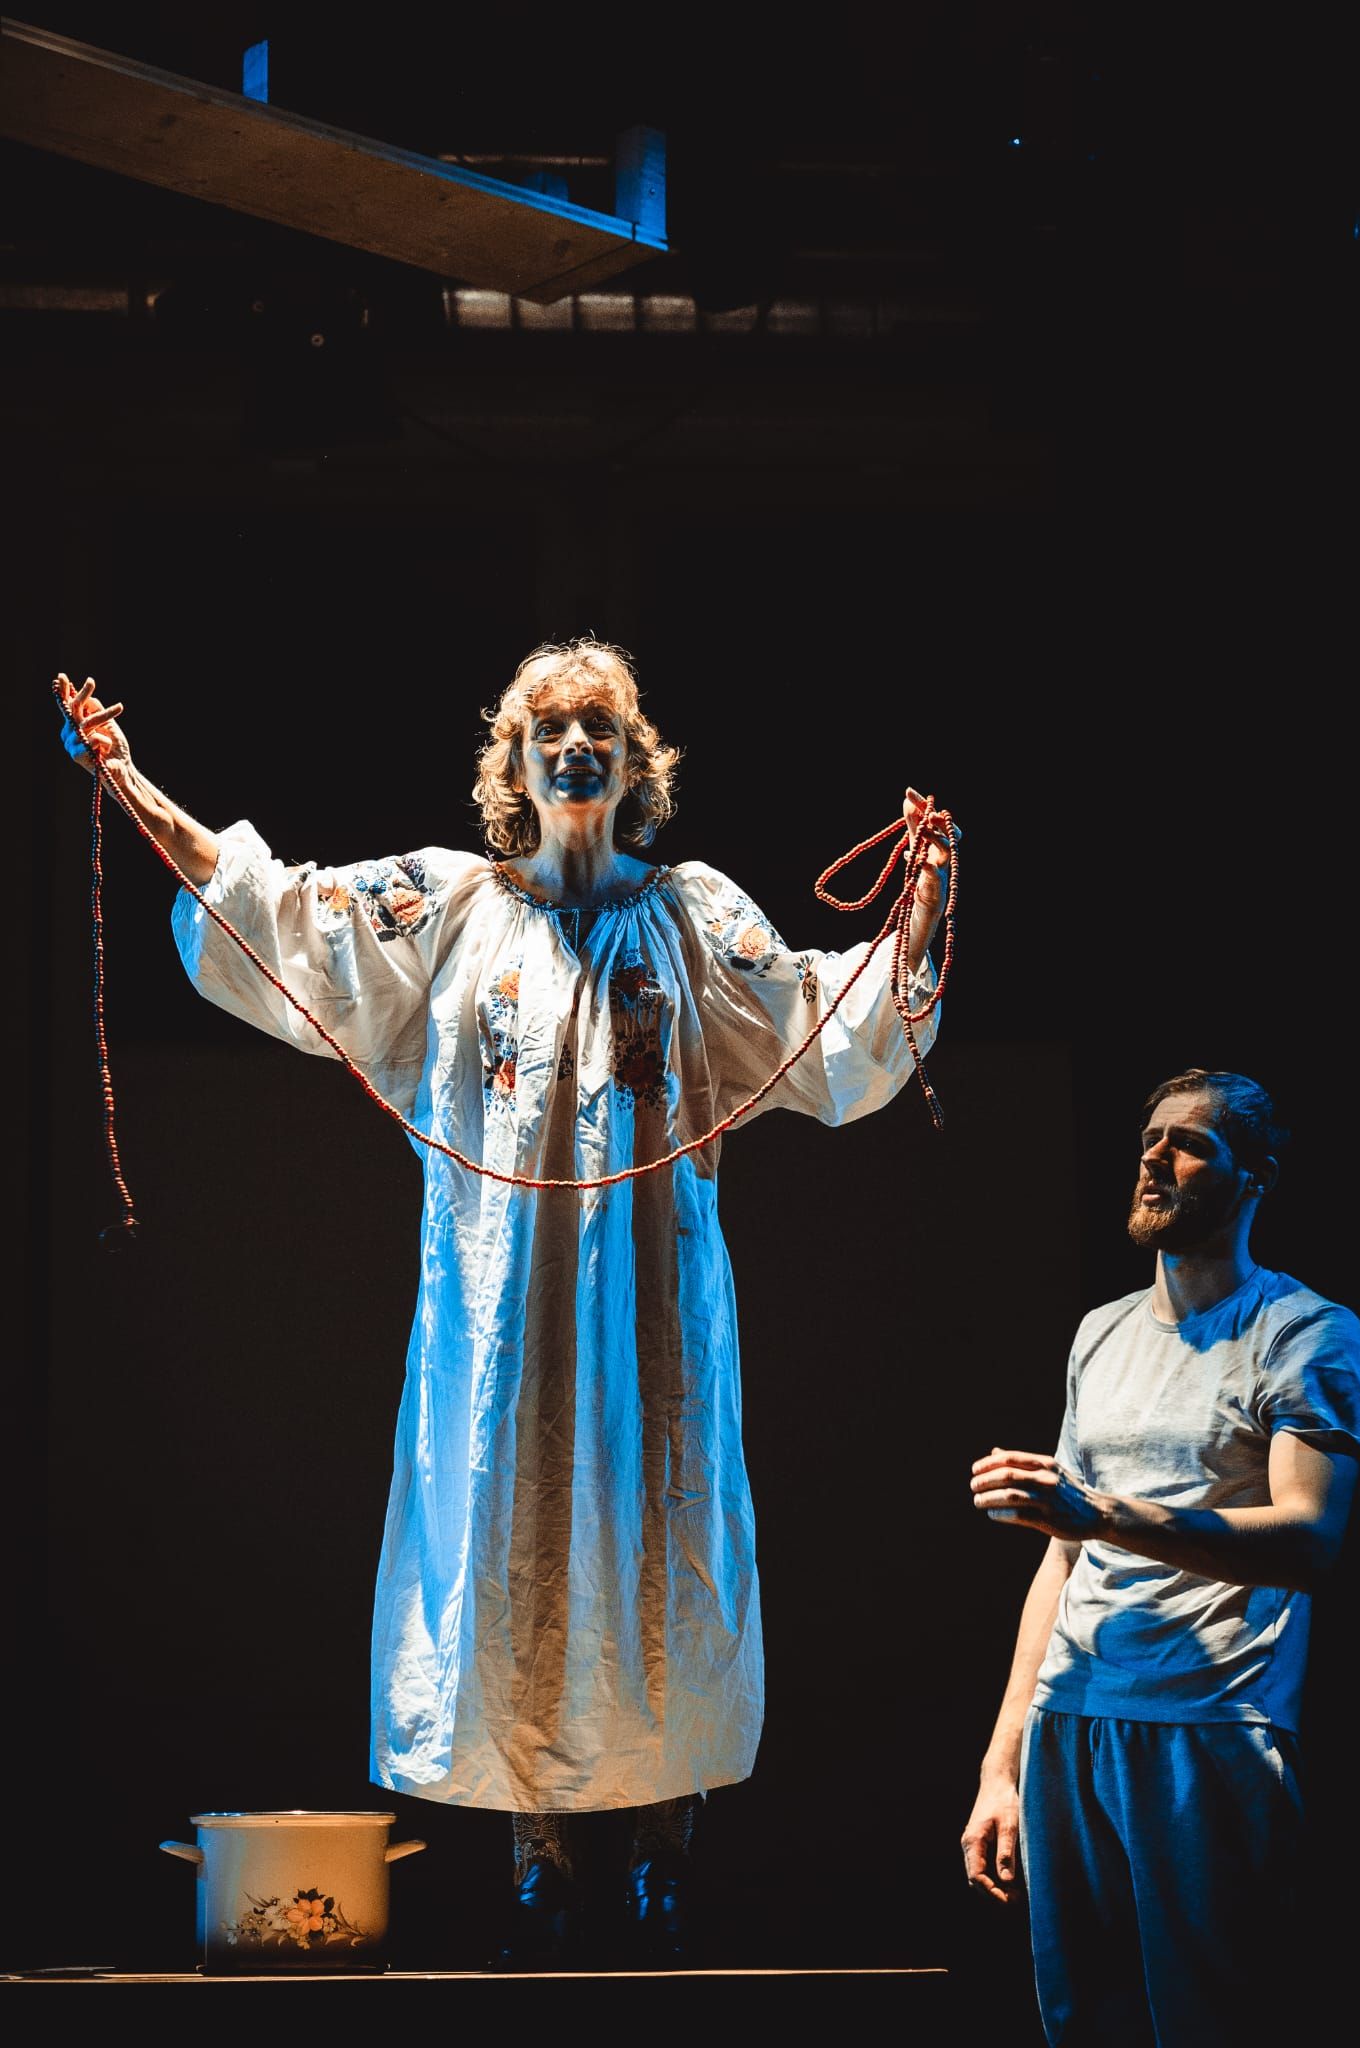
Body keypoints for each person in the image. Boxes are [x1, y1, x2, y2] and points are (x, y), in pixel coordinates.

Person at [56, 641, 957, 1970]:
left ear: (635, 763)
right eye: (550, 727)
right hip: (500, 1311)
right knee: (515, 1535)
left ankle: (663, 1838)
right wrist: (130, 780)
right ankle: (539, 1846)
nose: (575, 743)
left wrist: (921, 904)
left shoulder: (694, 916)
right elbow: (284, 913)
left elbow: (827, 1018)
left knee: (653, 1532)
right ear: (516, 765)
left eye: (600, 725)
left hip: (653, 1309)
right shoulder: (450, 905)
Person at [961, 1067, 1360, 2046]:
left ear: (1255, 1176)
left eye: (1188, 1143)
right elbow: (1061, 1560)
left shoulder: (1301, 1332)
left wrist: (1096, 1509)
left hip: (1209, 1721)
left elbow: (1310, 1536)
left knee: (1209, 2019)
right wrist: (1000, 1764)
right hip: (1071, 1718)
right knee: (1081, 2019)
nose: (1154, 1156)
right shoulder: (1099, 1332)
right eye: (1148, 1138)